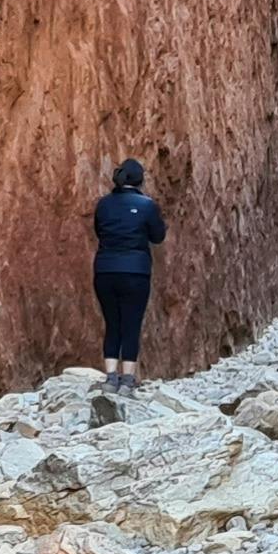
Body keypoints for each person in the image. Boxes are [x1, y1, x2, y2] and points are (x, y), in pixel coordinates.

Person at [91, 158, 164, 395]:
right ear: (141, 180)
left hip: (105, 270)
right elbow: (158, 236)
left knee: (112, 323)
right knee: (131, 323)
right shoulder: (147, 206)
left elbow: (99, 230)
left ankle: (110, 377)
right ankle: (128, 378)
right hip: (136, 271)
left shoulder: (103, 205)